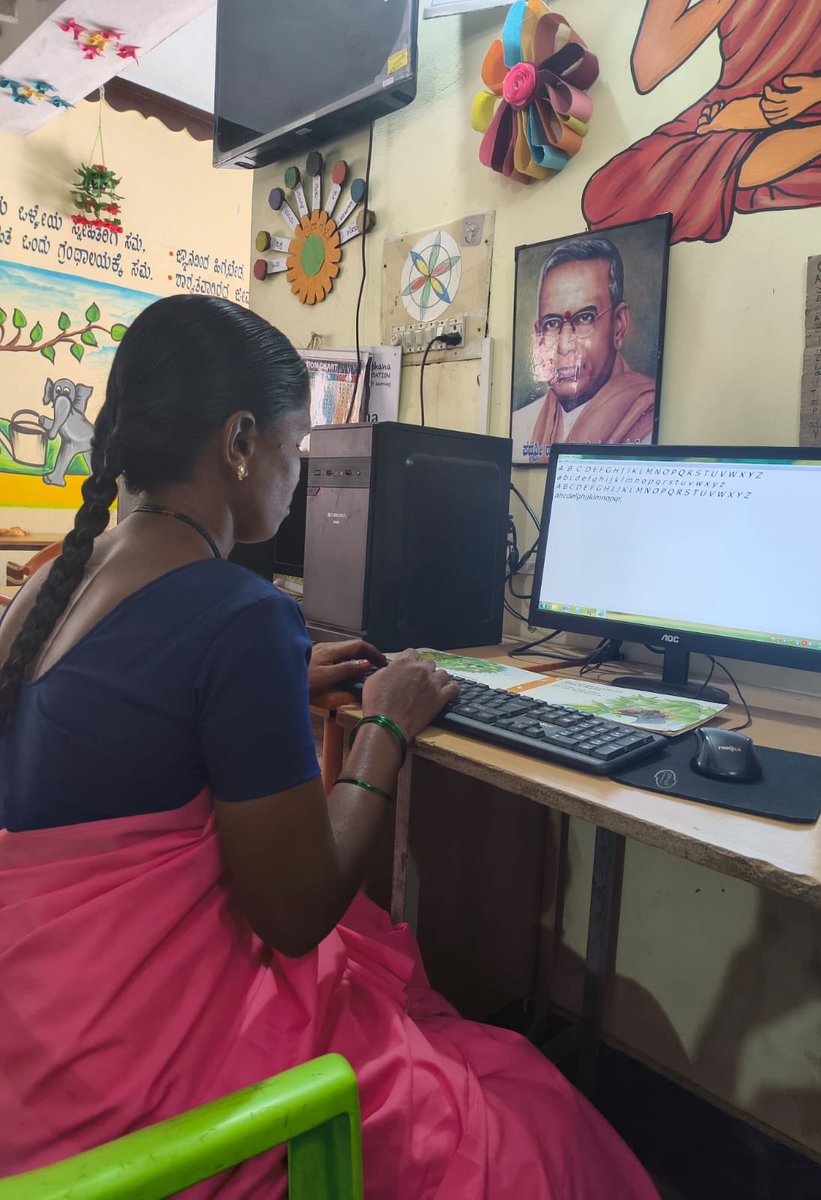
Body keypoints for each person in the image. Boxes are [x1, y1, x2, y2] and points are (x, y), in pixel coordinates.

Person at [0, 295, 659, 1200]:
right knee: (524, 1118)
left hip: (35, 1044)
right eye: (296, 448)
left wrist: (267, 691)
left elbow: (113, 728)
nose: (301, 477)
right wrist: (384, 726)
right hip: (134, 1084)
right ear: (239, 442)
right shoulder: (237, 618)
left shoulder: (44, 591)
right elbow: (296, 911)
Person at [582, 0, 821, 245]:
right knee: (611, 196)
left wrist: (816, 91)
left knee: (721, 173)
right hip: (736, 98)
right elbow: (647, 68)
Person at [513, 236, 657, 465]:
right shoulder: (521, 426)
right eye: (551, 324)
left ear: (619, 325)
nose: (565, 344)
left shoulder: (649, 421)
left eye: (585, 318)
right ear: (539, 334)